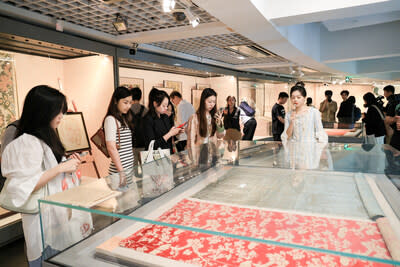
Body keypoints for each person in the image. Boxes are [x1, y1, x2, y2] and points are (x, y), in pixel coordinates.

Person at [1, 85, 84, 266]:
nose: (61, 116)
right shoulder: (26, 142)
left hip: (55, 216)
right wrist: (60, 168)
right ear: (43, 112)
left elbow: (48, 167)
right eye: (58, 112)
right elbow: (26, 184)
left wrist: (65, 163)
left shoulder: (46, 134)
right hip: (41, 218)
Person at [104, 86, 135, 176]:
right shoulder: (110, 119)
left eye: (130, 103)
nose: (128, 106)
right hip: (119, 173)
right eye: (125, 103)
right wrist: (121, 172)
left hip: (129, 170)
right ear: (115, 101)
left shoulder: (124, 118)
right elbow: (111, 148)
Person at [143, 88, 183, 152]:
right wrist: (170, 134)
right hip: (156, 157)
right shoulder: (148, 119)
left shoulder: (165, 117)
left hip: (168, 154)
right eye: (163, 106)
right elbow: (151, 145)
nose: (166, 108)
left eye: (167, 106)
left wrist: (175, 132)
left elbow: (168, 136)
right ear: (155, 104)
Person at [130, 87, 148, 167]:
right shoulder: (146, 110)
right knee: (145, 168)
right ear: (140, 97)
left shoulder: (128, 110)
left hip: (131, 144)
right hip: (143, 143)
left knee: (133, 169)